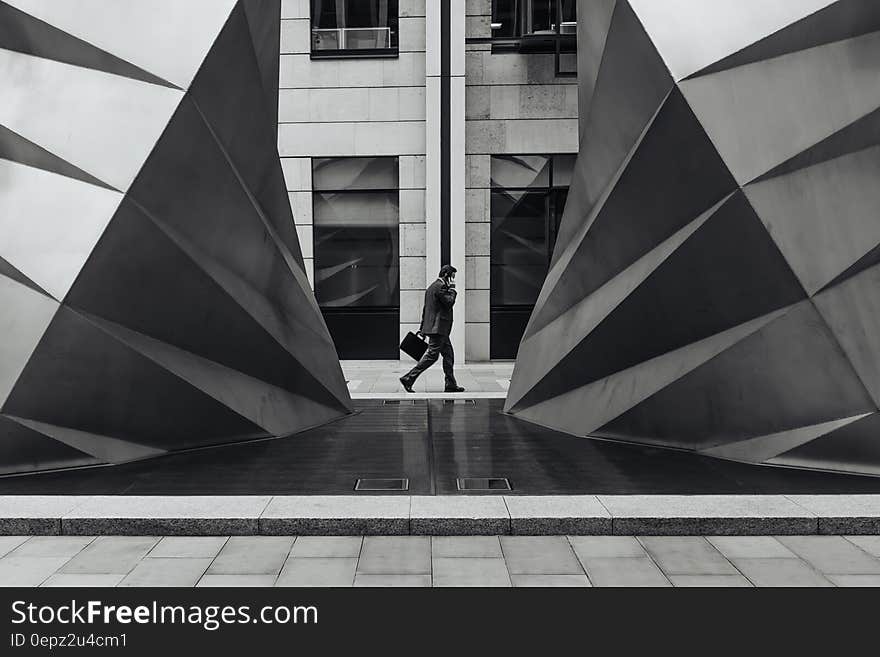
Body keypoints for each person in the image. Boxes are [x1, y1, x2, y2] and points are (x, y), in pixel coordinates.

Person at [400, 264, 465, 393]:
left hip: (439, 329)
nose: (453, 279)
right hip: (439, 329)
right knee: (431, 356)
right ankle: (408, 378)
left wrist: (423, 328)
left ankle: (450, 384)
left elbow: (426, 310)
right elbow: (449, 303)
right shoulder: (441, 287)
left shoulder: (431, 287)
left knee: (448, 355)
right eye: (452, 276)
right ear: (446, 275)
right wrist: (452, 290)